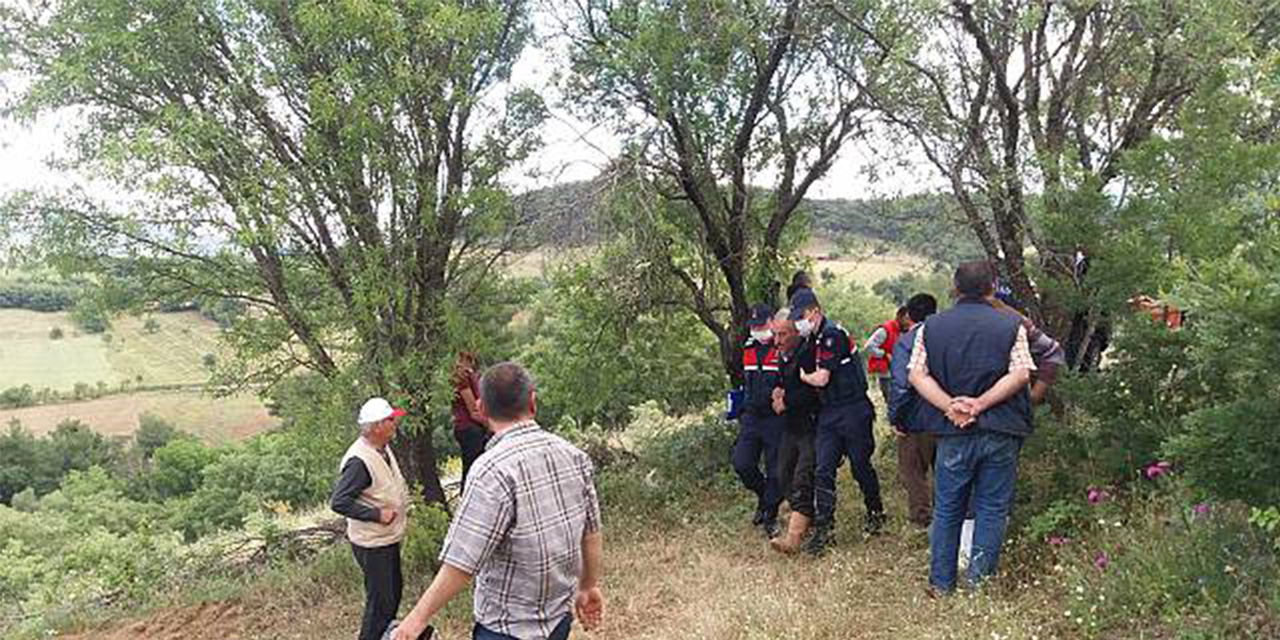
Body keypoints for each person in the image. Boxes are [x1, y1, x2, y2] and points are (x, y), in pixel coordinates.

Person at [392, 363, 603, 640]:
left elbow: (463, 562)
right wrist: (588, 586)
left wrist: (415, 620)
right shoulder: (573, 456)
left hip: (506, 629)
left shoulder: (491, 470)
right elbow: (591, 532)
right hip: (558, 620)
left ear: (482, 409)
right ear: (532, 402)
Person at [908, 261, 1035, 594]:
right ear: (992, 287)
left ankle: (941, 584)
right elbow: (1021, 373)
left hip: (953, 431)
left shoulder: (931, 327)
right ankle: (979, 586)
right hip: (1002, 429)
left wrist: (952, 405)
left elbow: (916, 375)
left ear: (955, 288)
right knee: (992, 508)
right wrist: (980, 404)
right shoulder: (1012, 325)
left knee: (948, 506)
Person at [790, 288, 885, 555]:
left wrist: (803, 377)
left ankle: (876, 511)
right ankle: (824, 529)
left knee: (860, 466)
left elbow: (821, 379)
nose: (799, 322)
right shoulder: (815, 337)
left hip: (853, 409)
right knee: (823, 468)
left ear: (815, 311)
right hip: (830, 412)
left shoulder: (832, 335)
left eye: (802, 316)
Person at [331, 397, 411, 640]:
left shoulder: (382, 448)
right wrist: (376, 514)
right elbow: (339, 501)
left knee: (392, 595)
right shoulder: (359, 461)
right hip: (372, 543)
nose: (395, 422)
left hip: (386, 539)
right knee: (380, 604)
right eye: (389, 419)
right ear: (376, 426)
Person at [769, 308, 821, 553]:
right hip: (790, 426)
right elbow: (782, 381)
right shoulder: (783, 355)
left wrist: (786, 400)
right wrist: (778, 391)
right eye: (775, 335)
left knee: (803, 476)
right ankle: (806, 518)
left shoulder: (809, 353)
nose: (777, 341)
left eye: (783, 335)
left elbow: (814, 392)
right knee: (783, 473)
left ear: (796, 332)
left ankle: (794, 538)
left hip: (811, 425)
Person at [888, 294, 939, 529]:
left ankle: (922, 520)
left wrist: (897, 418)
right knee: (946, 472)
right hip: (947, 415)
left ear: (909, 315)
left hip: (916, 418)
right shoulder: (946, 337)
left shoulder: (906, 342)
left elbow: (901, 384)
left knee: (913, 471)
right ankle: (950, 517)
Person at [735, 303, 785, 537]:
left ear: (772, 321)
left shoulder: (783, 346)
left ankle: (771, 515)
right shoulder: (747, 347)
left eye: (762, 325)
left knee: (776, 470)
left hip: (776, 418)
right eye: (754, 326)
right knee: (742, 463)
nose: (758, 330)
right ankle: (763, 496)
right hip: (752, 417)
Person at [451, 351, 488, 492]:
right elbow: (473, 411)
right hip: (469, 428)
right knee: (473, 469)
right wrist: (492, 426)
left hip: (473, 427)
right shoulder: (461, 378)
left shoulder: (471, 375)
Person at [864, 307, 908, 412]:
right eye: (906, 318)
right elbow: (869, 346)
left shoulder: (904, 331)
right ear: (899, 317)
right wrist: (884, 354)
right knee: (891, 403)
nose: (908, 321)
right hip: (886, 374)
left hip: (900, 373)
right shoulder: (885, 330)